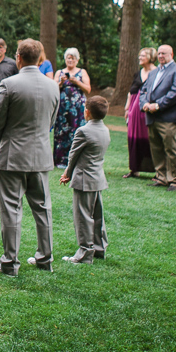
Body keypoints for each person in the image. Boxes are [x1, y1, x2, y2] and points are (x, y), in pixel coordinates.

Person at [0, 39, 60, 277]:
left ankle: (10, 263)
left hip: (12, 154)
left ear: (18, 57)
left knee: (11, 208)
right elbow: (51, 121)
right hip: (40, 154)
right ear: (40, 58)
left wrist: (4, 142)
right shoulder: (53, 86)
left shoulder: (9, 84)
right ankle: (45, 259)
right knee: (43, 208)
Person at [59, 96, 111, 264]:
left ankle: (84, 253)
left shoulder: (84, 131)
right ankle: (99, 248)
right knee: (97, 216)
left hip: (84, 179)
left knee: (83, 217)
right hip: (98, 178)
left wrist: (67, 173)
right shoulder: (105, 130)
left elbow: (73, 155)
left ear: (87, 112)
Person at [139, 44, 176, 190]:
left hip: (168, 116)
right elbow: (143, 90)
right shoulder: (153, 73)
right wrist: (145, 104)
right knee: (156, 148)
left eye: (164, 53)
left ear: (171, 55)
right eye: (159, 53)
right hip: (151, 116)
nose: (161, 56)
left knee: (171, 148)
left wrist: (158, 105)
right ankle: (161, 177)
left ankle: (174, 180)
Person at [51, 48, 91, 168]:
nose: (70, 60)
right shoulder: (59, 73)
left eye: (73, 58)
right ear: (65, 59)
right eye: (68, 57)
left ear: (77, 60)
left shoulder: (82, 72)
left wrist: (76, 82)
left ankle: (76, 160)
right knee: (62, 132)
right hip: (63, 109)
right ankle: (60, 160)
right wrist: (61, 83)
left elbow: (88, 89)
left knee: (77, 132)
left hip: (77, 109)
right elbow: (53, 89)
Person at [123, 47, 157, 179]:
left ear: (150, 57)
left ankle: (156, 170)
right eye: (140, 56)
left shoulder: (157, 72)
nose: (140, 58)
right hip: (134, 109)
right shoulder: (138, 73)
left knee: (150, 139)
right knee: (133, 138)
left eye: (143, 56)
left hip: (148, 109)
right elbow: (131, 91)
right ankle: (134, 169)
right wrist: (127, 108)